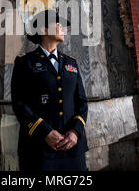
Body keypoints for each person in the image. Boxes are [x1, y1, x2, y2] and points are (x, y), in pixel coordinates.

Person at [11, 9, 89, 171]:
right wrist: (44, 131)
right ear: (44, 30)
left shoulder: (71, 63)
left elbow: (81, 102)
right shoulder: (25, 62)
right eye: (58, 24)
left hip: (72, 148)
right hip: (39, 149)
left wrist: (75, 131)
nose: (63, 28)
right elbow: (19, 104)